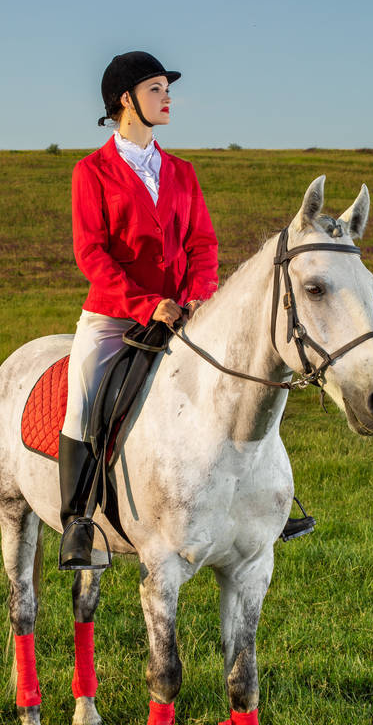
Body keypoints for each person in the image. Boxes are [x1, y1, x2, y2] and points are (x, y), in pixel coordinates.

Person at [59, 50, 314, 571]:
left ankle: (268, 502)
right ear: (124, 102)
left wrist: (199, 296)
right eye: (156, 88)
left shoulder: (182, 171)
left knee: (241, 387)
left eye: (166, 88)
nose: (167, 96)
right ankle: (79, 523)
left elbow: (203, 243)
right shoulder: (91, 172)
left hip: (183, 315)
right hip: (115, 316)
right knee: (83, 398)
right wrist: (146, 304)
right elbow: (92, 254)